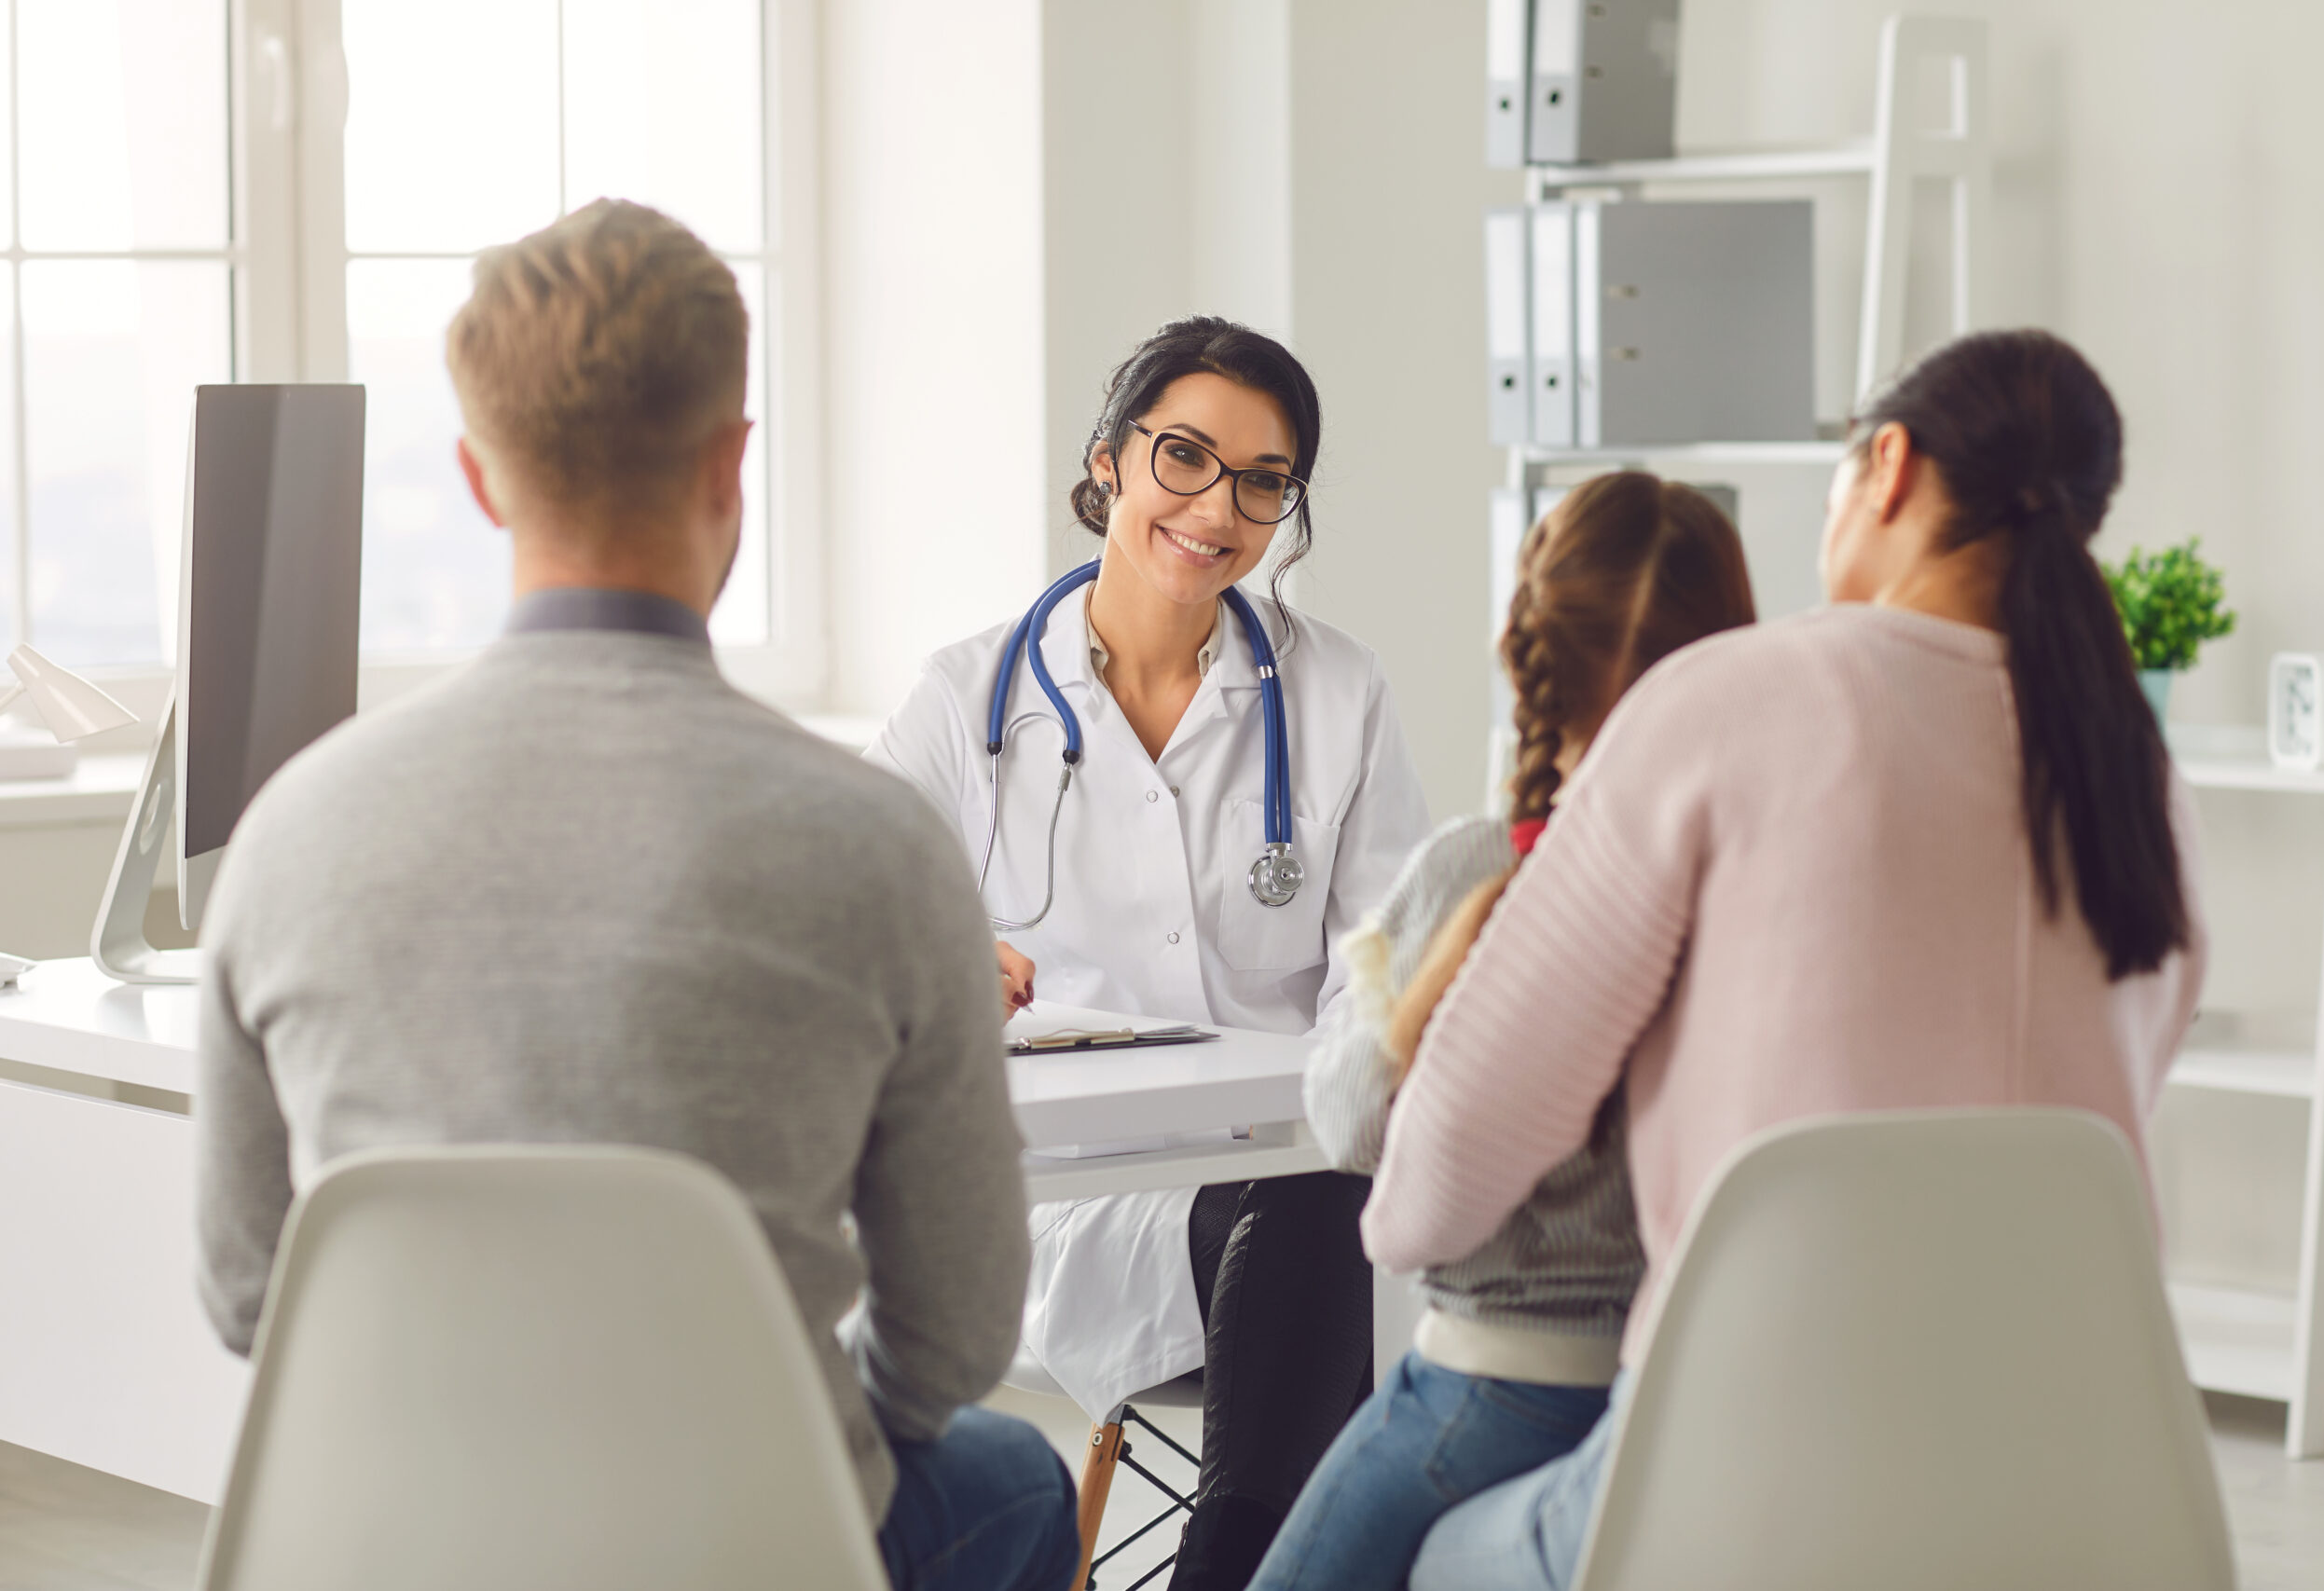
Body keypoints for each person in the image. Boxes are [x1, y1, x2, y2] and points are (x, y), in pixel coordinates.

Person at [192, 200, 1078, 1591]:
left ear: (482, 477)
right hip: (750, 1540)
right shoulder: (881, 848)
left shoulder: (290, 831)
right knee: (1016, 1473)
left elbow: (250, 1293)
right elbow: (960, 1334)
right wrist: (796, 1439)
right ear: (733, 461)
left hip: (398, 1542)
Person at [1368, 329, 2208, 1591]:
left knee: (1433, 1552)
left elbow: (1442, 1169)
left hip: (1747, 1478)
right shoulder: (2139, 778)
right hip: (2086, 1481)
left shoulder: (1722, 700)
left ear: (1889, 466)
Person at [864, 316, 1432, 1588]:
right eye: (1182, 456)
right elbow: (843, 929)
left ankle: (1216, 1566)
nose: (1217, 506)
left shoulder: (1338, 695)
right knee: (1337, 1234)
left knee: (1327, 1195)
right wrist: (945, 960)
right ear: (1108, 461)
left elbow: (1386, 972)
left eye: (1262, 480)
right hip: (1066, 1207)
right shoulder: (966, 703)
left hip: (1297, 1178)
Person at [1249, 473, 1756, 1591]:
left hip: (1490, 1388)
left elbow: (1349, 1121)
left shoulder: (1484, 872)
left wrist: (1404, 992)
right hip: (1689, 1397)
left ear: (1522, 644)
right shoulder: (1764, 889)